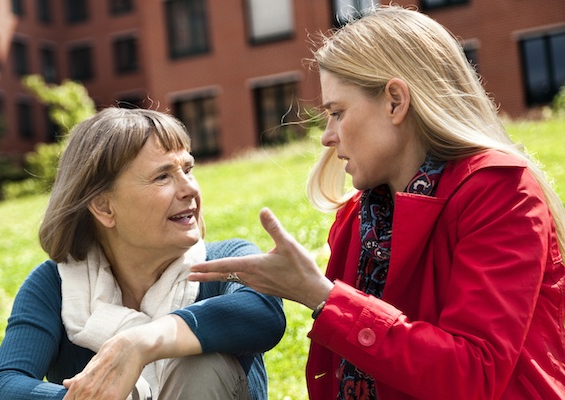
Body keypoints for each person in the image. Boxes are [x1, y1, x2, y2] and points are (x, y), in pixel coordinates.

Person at [189, 5, 565, 399]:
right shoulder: (360, 215)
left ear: (395, 101)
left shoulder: (501, 191)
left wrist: (321, 296)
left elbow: (471, 374)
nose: (326, 136)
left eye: (337, 112)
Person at [0, 107, 285, 400]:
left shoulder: (225, 261)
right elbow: (3, 386)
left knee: (200, 362)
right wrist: (106, 394)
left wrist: (139, 343)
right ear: (104, 207)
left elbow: (264, 312)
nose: (189, 189)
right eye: (162, 177)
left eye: (188, 169)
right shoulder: (55, 285)